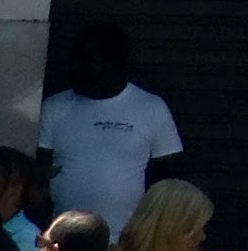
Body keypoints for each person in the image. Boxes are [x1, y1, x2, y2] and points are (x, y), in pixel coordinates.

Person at [38, 20, 185, 232]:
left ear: (116, 65)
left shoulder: (151, 108)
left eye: (89, 61)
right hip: (64, 241)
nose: (76, 68)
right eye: (75, 60)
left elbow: (170, 180)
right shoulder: (54, 107)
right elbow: (39, 176)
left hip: (126, 239)